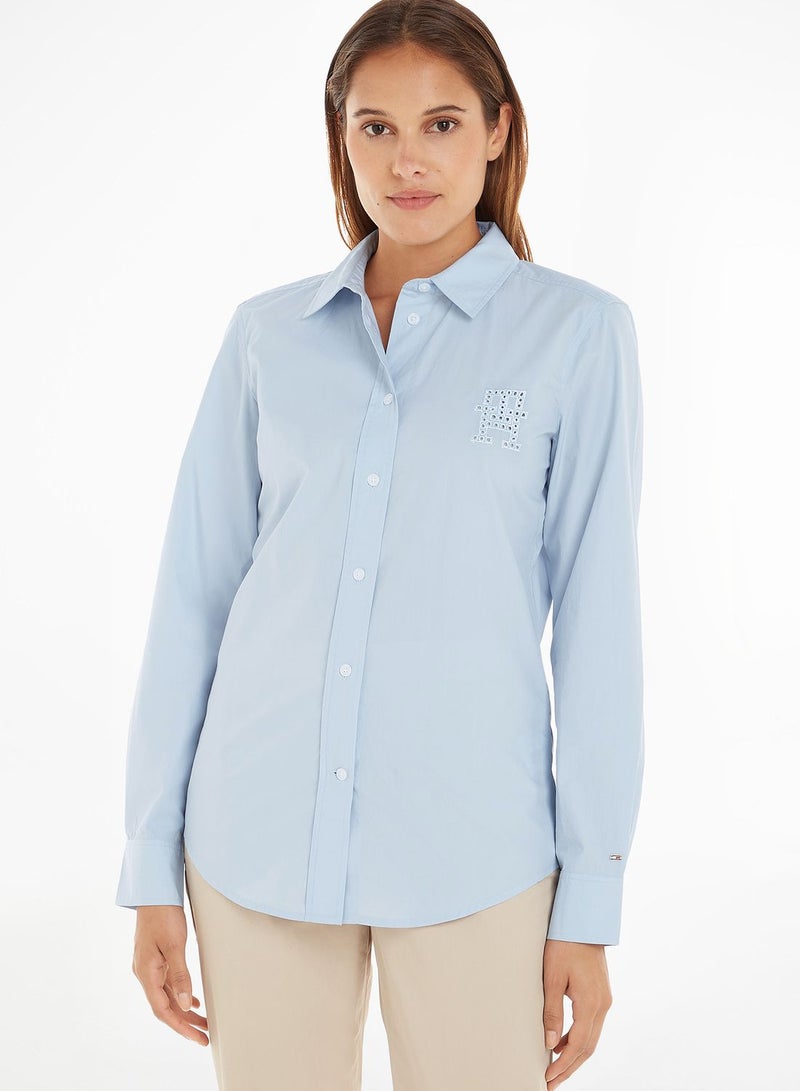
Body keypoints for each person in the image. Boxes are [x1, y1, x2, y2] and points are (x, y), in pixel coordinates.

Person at [115, 1, 645, 1088]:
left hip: (476, 853)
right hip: (253, 841)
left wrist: (589, 902)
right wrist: (149, 863)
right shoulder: (266, 336)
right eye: (376, 127)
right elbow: (193, 599)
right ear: (339, 136)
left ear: (497, 130)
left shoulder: (578, 335)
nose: (408, 160)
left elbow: (599, 629)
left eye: (441, 124)